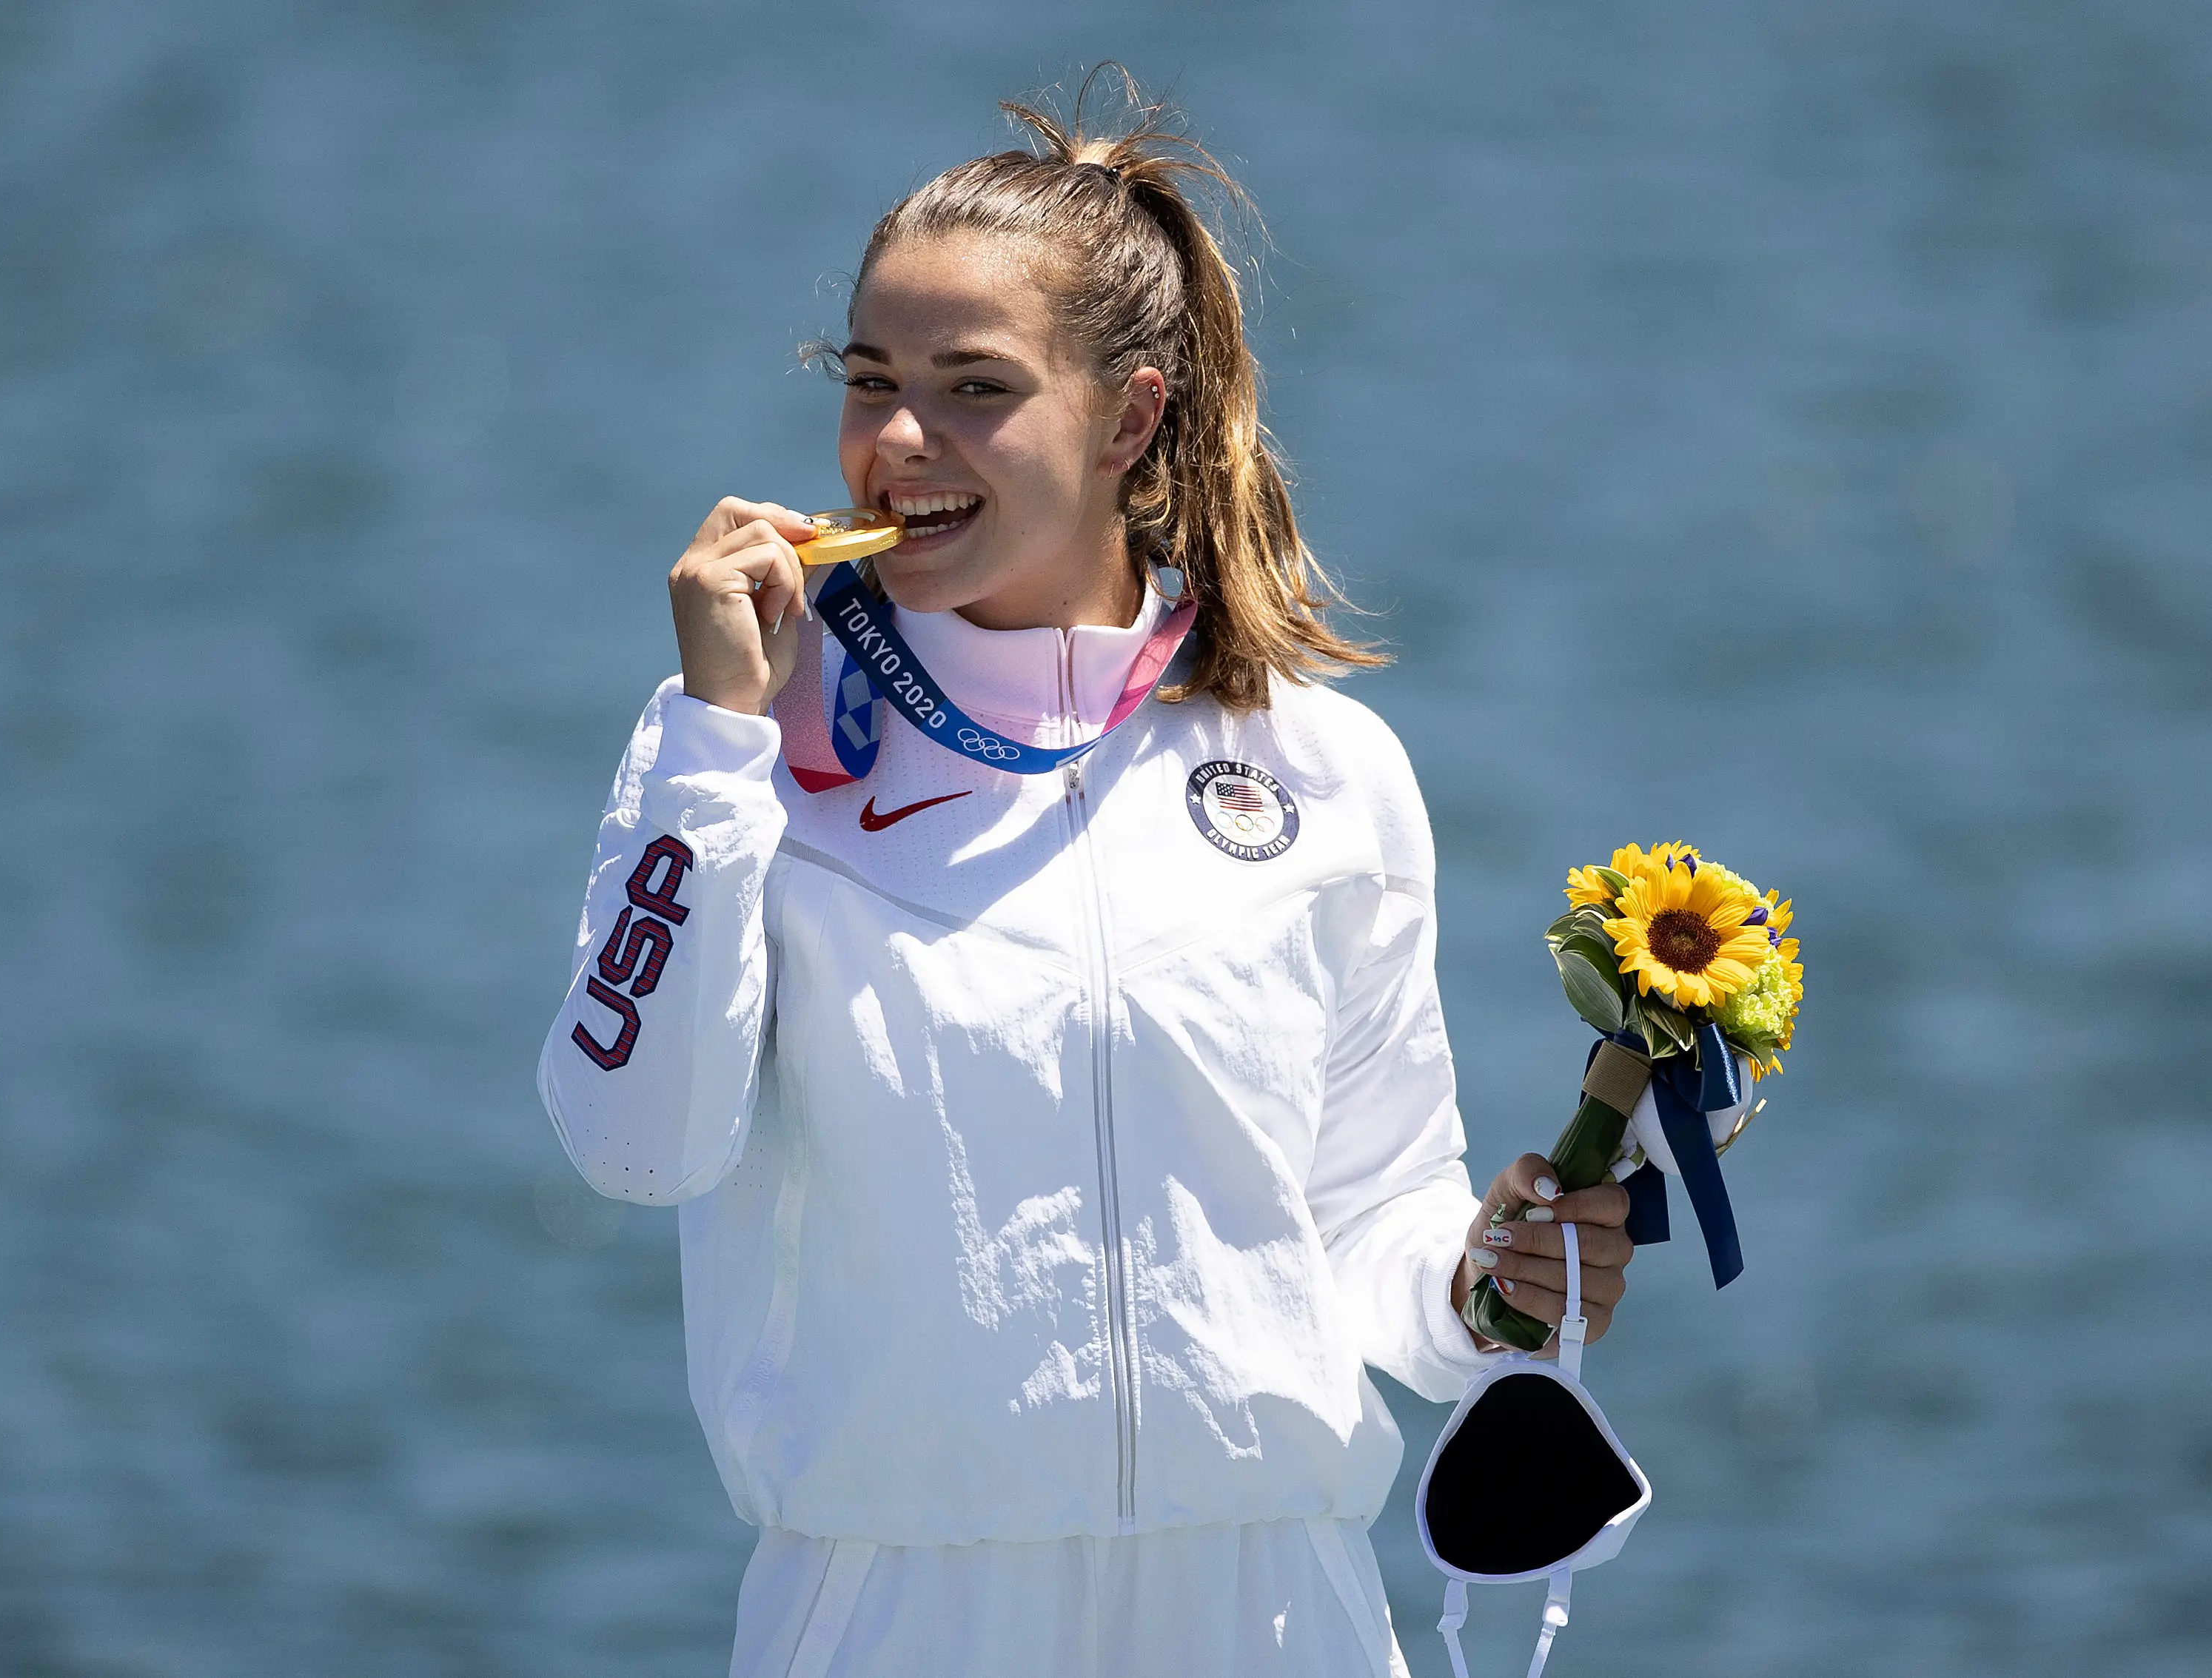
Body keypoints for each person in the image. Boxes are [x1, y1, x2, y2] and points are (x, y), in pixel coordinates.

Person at [540, 73, 1638, 1678]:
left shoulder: (1322, 772)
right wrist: (710, 734)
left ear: (1127, 418)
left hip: (1277, 1608)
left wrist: (1483, 1283)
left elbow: (1368, 1234)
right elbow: (630, 1147)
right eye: (869, 380)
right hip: (901, 1606)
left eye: (973, 387)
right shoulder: (745, 749)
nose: (896, 442)